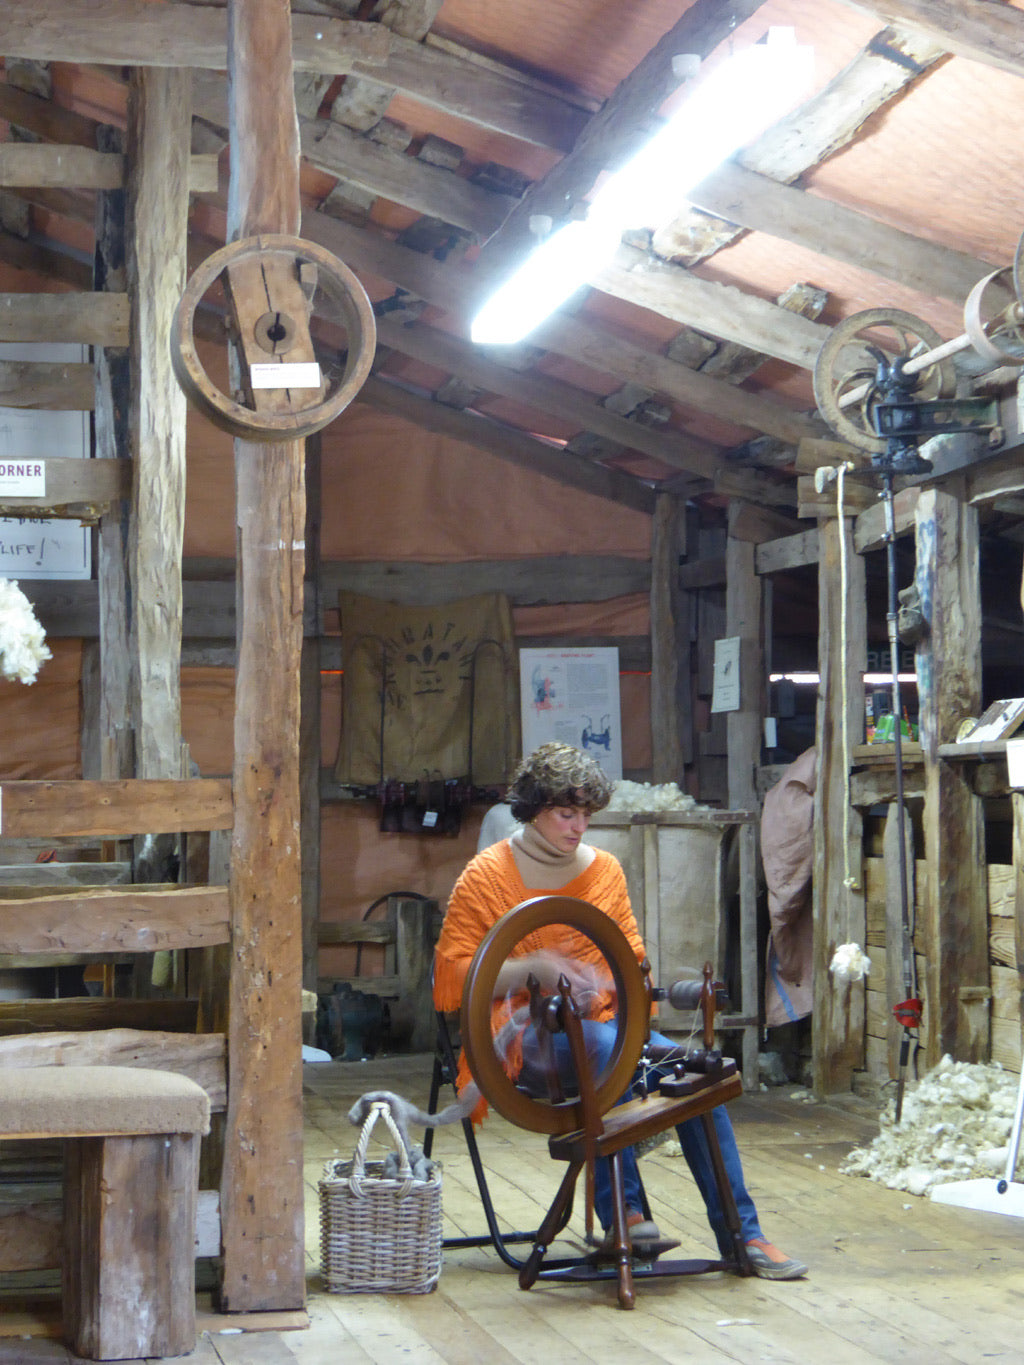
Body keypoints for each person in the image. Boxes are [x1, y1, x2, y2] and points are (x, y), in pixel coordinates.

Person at [433, 741, 807, 1280]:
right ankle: (624, 1214)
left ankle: (743, 1235)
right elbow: (454, 976)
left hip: (602, 1031)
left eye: (586, 814)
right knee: (613, 1054)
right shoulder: (486, 877)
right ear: (533, 808)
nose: (579, 826)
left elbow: (628, 964)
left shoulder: (604, 872)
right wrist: (532, 969)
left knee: (699, 1074)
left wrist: (595, 984)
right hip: (520, 1043)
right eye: (566, 813)